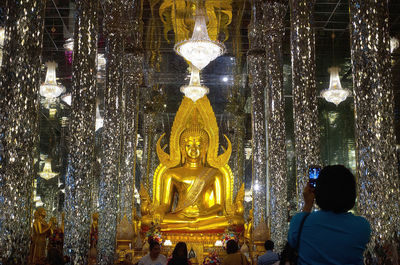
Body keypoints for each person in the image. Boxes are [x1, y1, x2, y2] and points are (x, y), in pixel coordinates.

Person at [286, 165, 371, 265]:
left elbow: (293, 241)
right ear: (351, 193)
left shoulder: (299, 222)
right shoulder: (362, 226)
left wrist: (308, 204)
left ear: (319, 192)